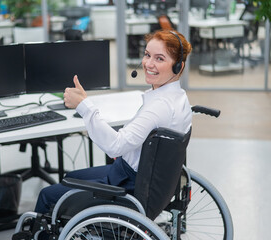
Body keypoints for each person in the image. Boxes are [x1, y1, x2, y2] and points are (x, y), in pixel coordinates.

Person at [34, 29, 193, 214]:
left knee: (47, 195)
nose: (148, 64)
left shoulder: (160, 106)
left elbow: (116, 146)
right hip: (144, 176)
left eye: (159, 59)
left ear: (178, 67)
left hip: (128, 182)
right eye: (147, 55)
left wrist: (84, 106)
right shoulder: (179, 98)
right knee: (71, 176)